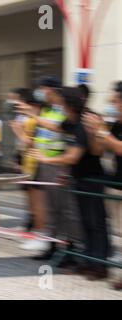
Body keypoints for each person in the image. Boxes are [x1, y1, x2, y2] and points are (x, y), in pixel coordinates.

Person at [28, 87, 108, 279]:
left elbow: (73, 156)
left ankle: (100, 266)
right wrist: (34, 116)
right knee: (84, 222)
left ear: (69, 104)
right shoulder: (69, 122)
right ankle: (87, 260)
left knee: (96, 223)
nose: (58, 105)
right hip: (78, 178)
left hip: (92, 179)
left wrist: (45, 159)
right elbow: (55, 127)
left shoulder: (82, 125)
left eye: (60, 102)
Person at [18, 76, 80, 261]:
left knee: (66, 210)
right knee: (51, 208)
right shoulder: (47, 110)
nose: (40, 93)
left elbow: (59, 130)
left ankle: (71, 249)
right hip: (44, 164)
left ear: (51, 90)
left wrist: (33, 115)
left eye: (42, 89)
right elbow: (40, 135)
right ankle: (52, 245)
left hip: (59, 166)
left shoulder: (65, 111)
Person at [83, 81, 122, 288]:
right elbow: (100, 151)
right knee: (119, 232)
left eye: (115, 100)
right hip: (115, 183)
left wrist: (102, 132)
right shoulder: (115, 124)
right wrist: (94, 131)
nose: (112, 104)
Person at [9, 89, 48, 249]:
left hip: (38, 163)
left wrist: (19, 132)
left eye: (22, 103)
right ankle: (35, 232)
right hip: (28, 163)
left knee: (38, 203)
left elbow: (32, 143)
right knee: (32, 202)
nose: (19, 106)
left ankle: (41, 235)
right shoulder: (29, 119)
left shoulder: (37, 120)